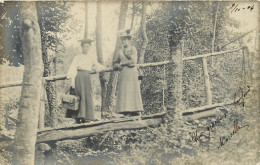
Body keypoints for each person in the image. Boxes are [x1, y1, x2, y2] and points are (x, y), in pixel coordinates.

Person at [66, 39, 105, 123]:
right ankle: (77, 118)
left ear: (90, 47)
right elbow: (73, 68)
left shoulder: (92, 57)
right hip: (79, 77)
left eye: (87, 46)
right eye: (84, 46)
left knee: (87, 95)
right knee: (79, 96)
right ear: (81, 47)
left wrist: (104, 68)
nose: (86, 48)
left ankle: (86, 117)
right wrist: (72, 81)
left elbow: (97, 65)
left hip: (87, 78)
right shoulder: (77, 57)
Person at [113, 29, 144, 117]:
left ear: (129, 40)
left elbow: (133, 62)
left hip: (132, 72)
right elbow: (115, 63)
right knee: (125, 91)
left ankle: (136, 110)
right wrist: (117, 65)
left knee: (133, 90)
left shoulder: (133, 49)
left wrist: (122, 63)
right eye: (123, 40)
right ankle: (126, 111)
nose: (124, 41)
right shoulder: (119, 52)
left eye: (126, 39)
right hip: (124, 73)